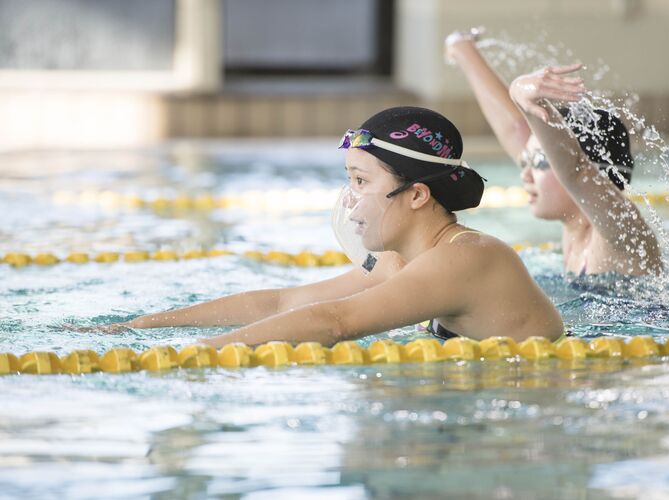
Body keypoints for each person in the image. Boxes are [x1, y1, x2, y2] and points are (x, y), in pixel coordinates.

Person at [110, 107, 564, 347]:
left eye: (361, 181)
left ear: (417, 195)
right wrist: (142, 326)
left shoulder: (468, 256)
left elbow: (335, 322)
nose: (350, 197)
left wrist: (205, 351)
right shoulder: (400, 262)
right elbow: (283, 301)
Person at [445, 30, 662, 276]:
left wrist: (524, 93)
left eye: (538, 162)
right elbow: (514, 128)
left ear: (595, 171)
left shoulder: (619, 230)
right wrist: (462, 49)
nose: (525, 174)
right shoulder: (574, 224)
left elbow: (575, 171)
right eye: (527, 161)